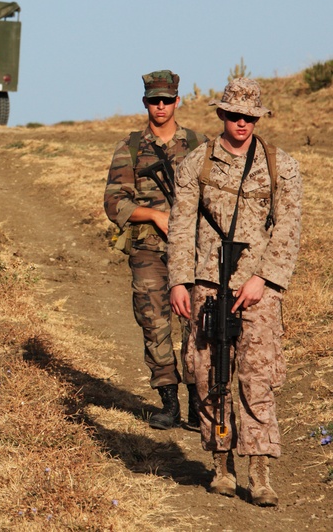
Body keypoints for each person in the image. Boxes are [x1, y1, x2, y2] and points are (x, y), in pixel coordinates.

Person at [167, 78, 301, 506]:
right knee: (209, 375)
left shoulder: (281, 165)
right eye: (234, 115)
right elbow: (181, 226)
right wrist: (179, 281)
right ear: (221, 115)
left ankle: (260, 474)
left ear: (258, 118)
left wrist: (264, 278)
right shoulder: (196, 164)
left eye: (250, 117)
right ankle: (220, 466)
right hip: (207, 286)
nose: (241, 123)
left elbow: (288, 229)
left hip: (259, 289)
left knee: (257, 379)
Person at [104, 70, 205, 431]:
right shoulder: (130, 148)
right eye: (153, 100)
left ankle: (198, 402)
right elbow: (115, 203)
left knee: (197, 323)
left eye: (166, 100)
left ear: (177, 101)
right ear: (145, 102)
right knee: (153, 321)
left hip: (194, 250)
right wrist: (155, 216)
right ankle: (168, 402)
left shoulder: (199, 145)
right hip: (148, 248)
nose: (160, 106)